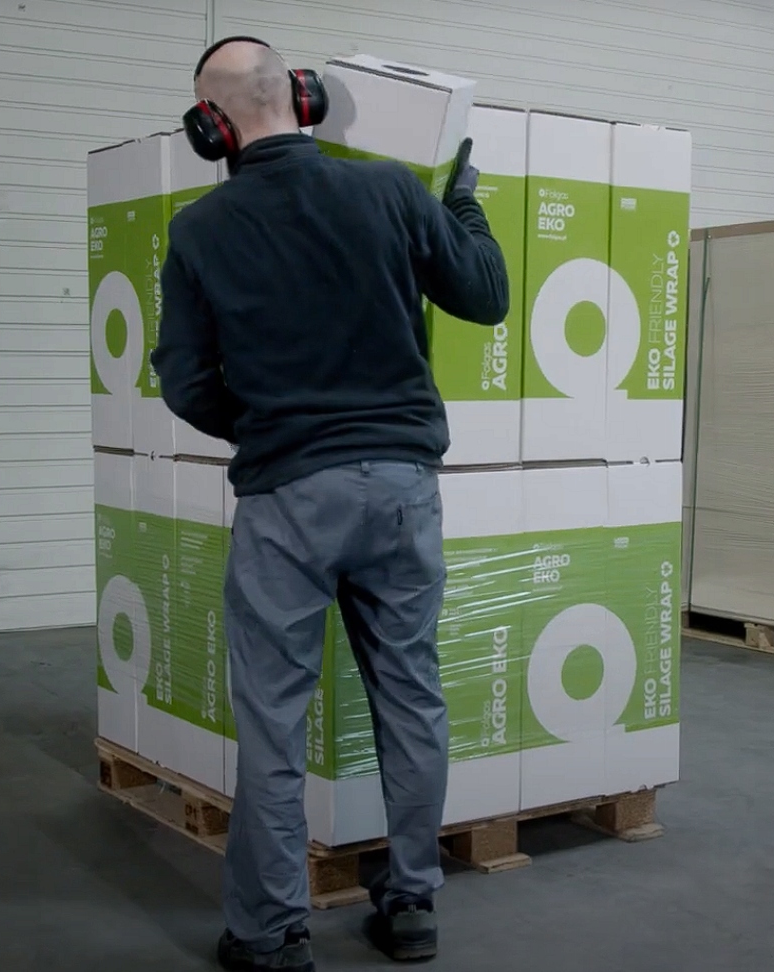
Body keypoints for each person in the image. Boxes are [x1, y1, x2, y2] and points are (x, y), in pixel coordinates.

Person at [151, 36, 508, 972]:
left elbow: (185, 381)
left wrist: (269, 427)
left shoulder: (200, 229)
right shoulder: (391, 190)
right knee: (412, 697)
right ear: (302, 97)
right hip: (401, 491)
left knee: (274, 722)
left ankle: (271, 936)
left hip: (288, 498)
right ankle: (413, 906)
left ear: (210, 127)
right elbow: (485, 296)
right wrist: (462, 204)